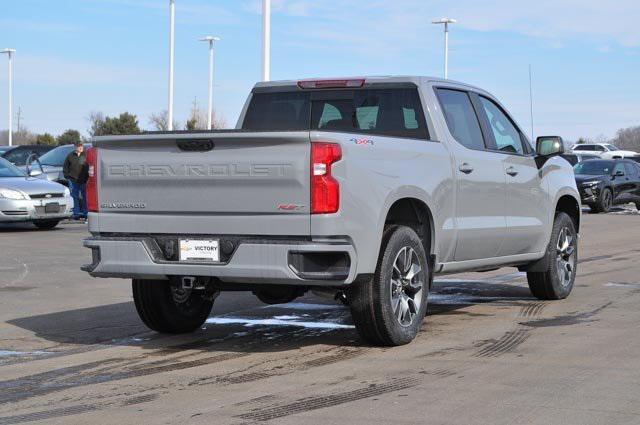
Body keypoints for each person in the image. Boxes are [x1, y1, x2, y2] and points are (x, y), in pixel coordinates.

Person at [63, 141, 89, 220]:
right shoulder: (70, 156)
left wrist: (89, 177)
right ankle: (76, 213)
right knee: (75, 197)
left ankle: (86, 213)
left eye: (81, 146)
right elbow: (65, 167)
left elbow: (90, 165)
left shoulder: (86, 155)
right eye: (79, 146)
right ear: (75, 147)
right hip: (73, 180)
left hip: (84, 180)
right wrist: (67, 176)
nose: (81, 147)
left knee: (85, 197)